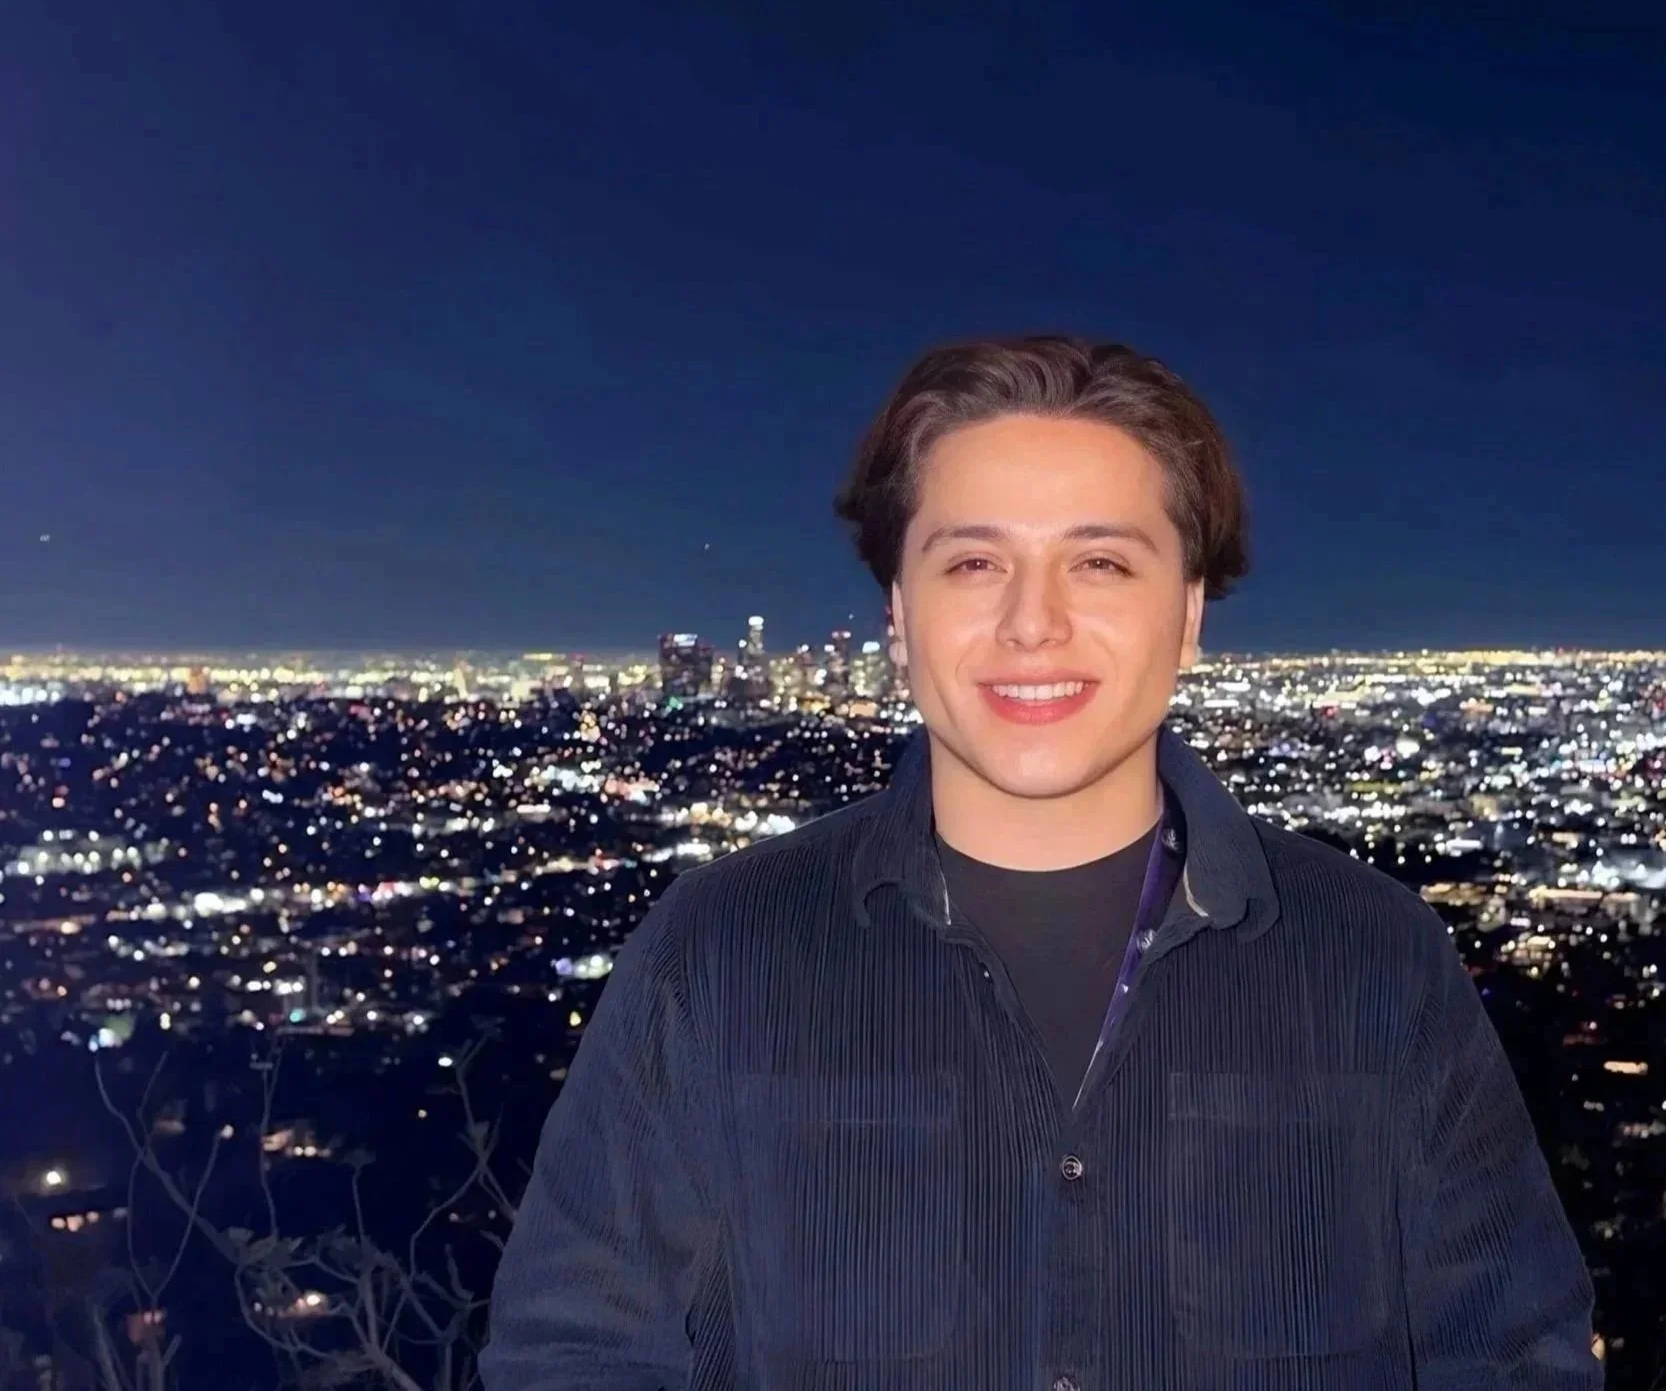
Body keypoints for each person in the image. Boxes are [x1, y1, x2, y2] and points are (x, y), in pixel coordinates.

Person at [484, 336, 1602, 1389]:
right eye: (973, 561)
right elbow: (577, 1348)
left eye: (1102, 562)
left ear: (1190, 611)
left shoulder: (1374, 957)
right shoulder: (721, 949)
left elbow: (1509, 1353)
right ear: (898, 613)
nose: (1034, 622)